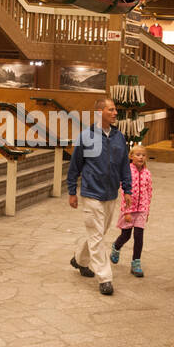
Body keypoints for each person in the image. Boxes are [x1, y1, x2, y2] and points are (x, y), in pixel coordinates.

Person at [68, 97, 133, 296]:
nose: (115, 113)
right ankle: (105, 278)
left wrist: (127, 189)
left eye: (115, 110)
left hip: (111, 193)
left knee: (99, 233)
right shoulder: (86, 136)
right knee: (97, 237)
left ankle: (79, 259)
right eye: (111, 110)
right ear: (99, 112)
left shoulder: (119, 137)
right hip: (91, 193)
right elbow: (74, 166)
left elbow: (124, 165)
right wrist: (72, 191)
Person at [110, 144, 152, 278]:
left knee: (139, 236)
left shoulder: (147, 173)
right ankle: (116, 246)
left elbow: (149, 191)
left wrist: (147, 209)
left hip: (142, 210)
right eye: (138, 155)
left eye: (143, 155)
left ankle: (136, 263)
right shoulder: (127, 171)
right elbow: (123, 192)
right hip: (129, 210)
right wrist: (126, 212)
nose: (141, 157)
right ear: (131, 156)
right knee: (126, 235)